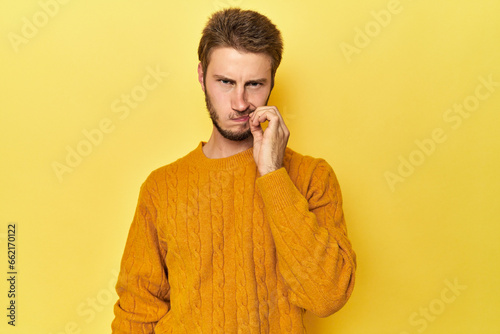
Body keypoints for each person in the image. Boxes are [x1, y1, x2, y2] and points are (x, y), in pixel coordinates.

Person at [111, 8, 356, 334]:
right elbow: (137, 311)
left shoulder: (311, 177)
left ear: (271, 83)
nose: (240, 103)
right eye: (225, 82)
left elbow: (326, 296)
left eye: (254, 84)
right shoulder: (162, 187)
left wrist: (272, 172)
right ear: (202, 77)